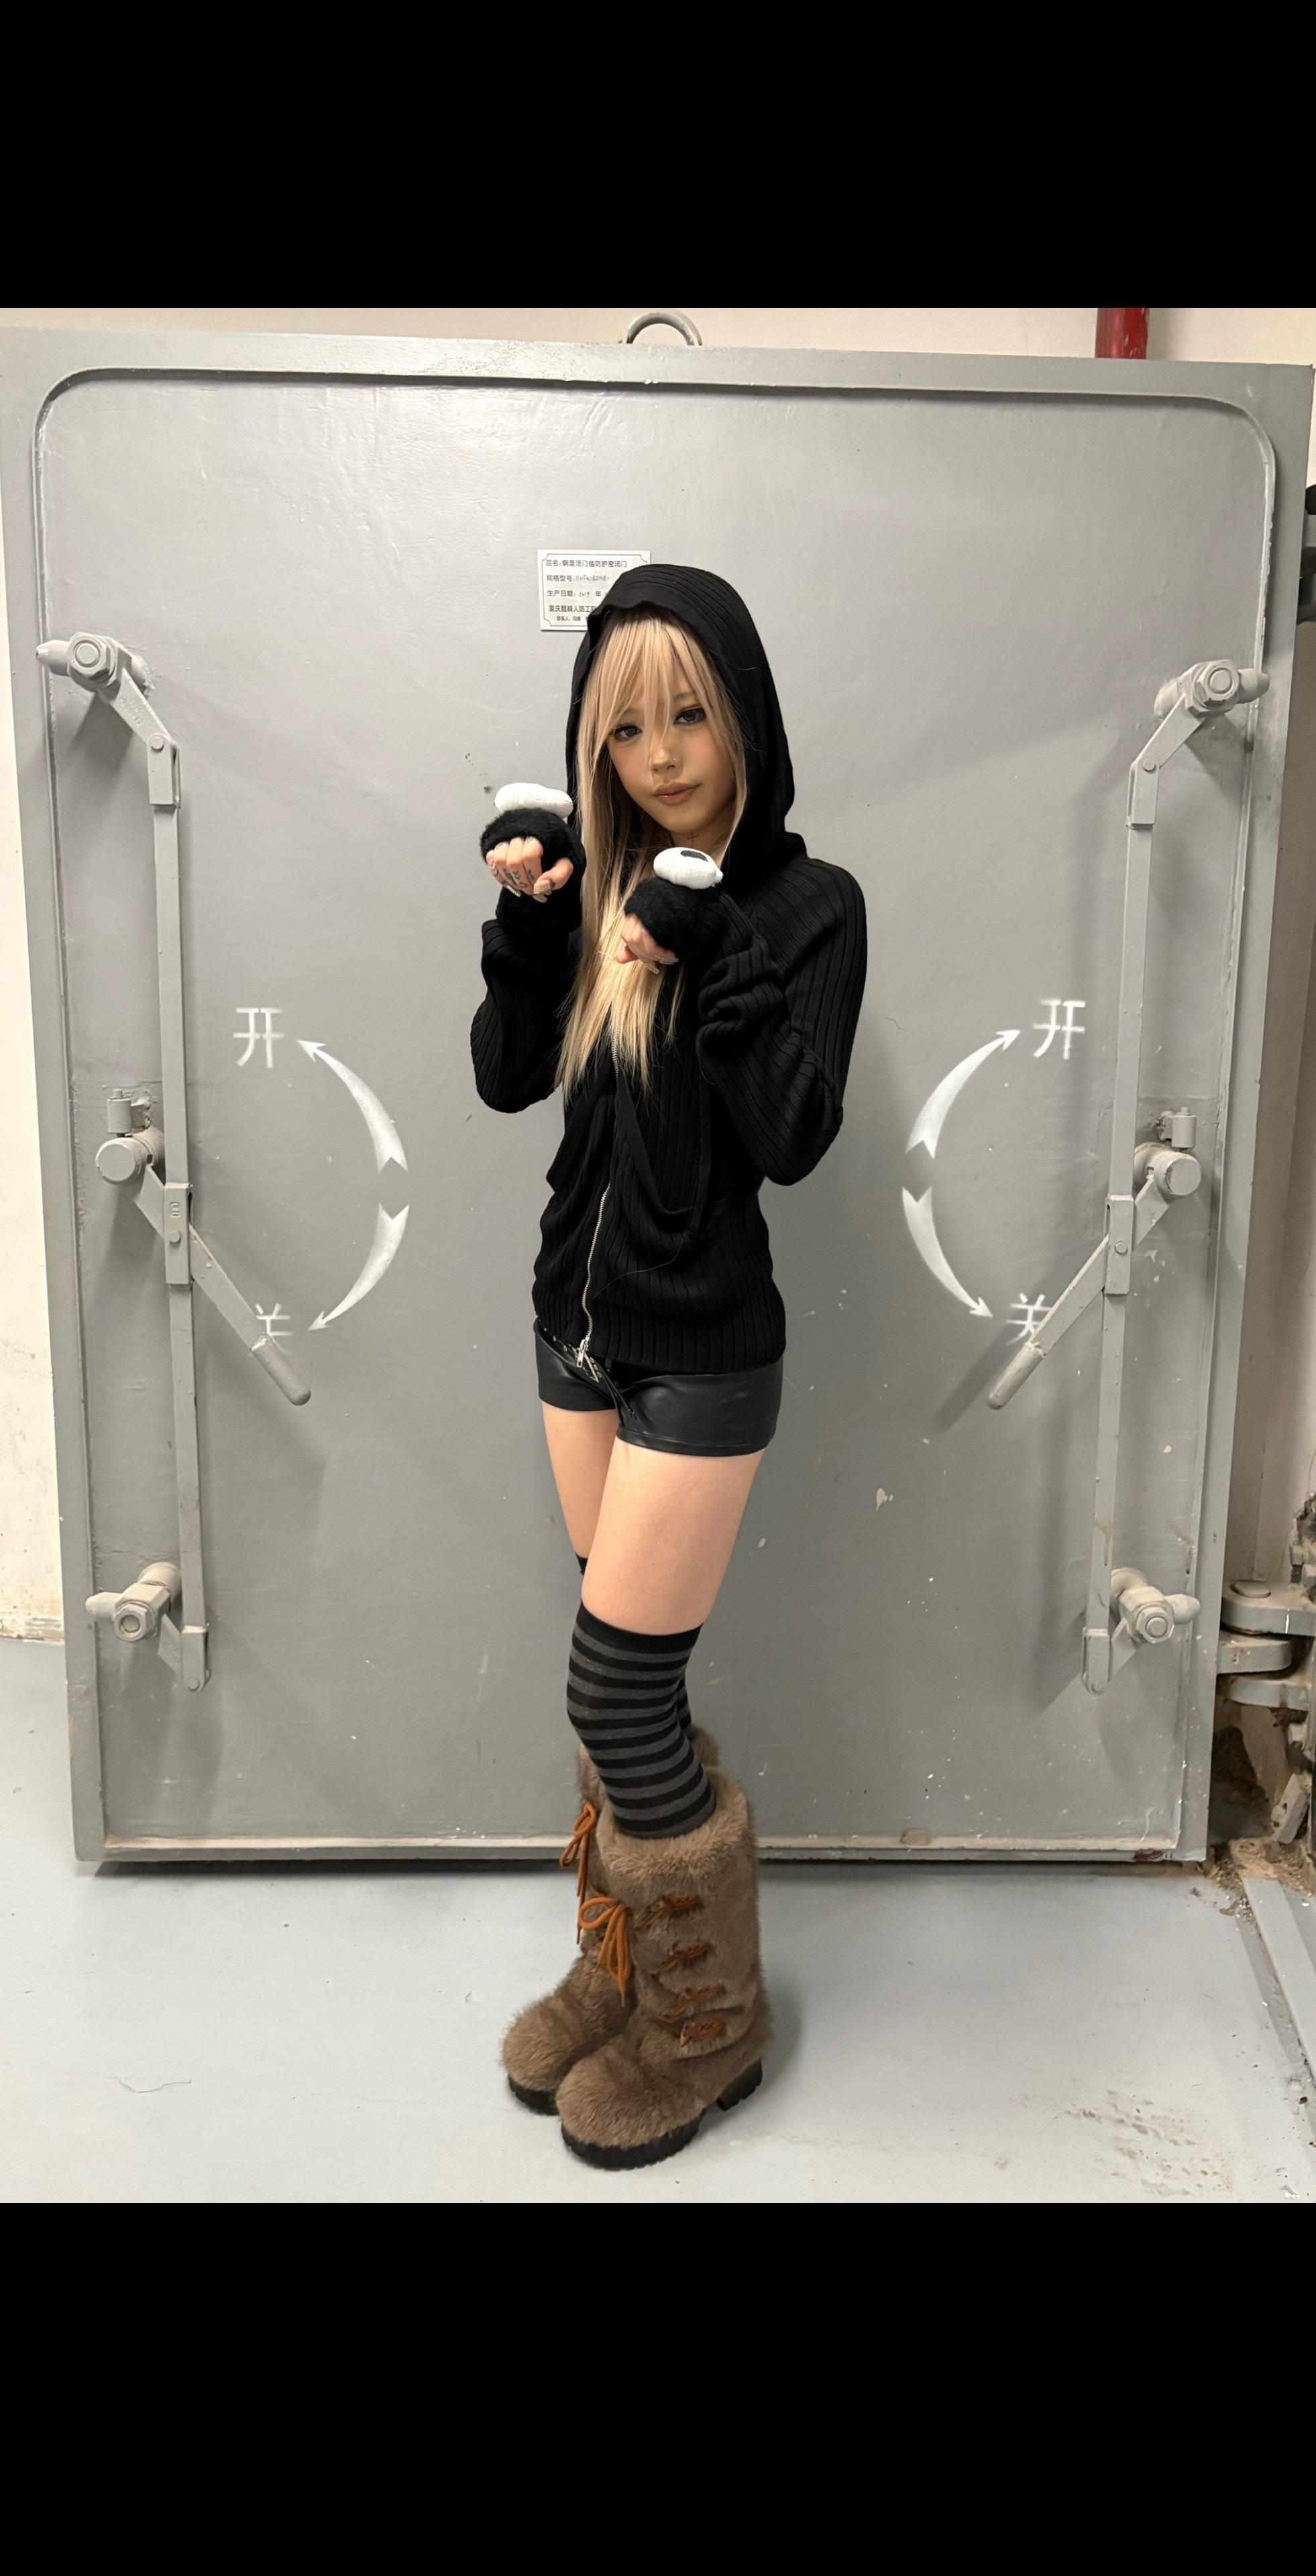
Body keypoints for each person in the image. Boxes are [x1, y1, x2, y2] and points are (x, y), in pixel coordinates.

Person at [470, 565, 867, 2169]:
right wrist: (533, 924)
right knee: (622, 1675)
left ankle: (712, 2025)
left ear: (745, 714)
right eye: (626, 730)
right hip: (573, 1335)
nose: (662, 755)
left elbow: (793, 1131)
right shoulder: (605, 886)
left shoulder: (810, 903)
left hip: (703, 1355)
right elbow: (507, 1079)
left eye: (691, 714)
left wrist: (711, 952)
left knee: (614, 1685)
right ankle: (633, 1964)